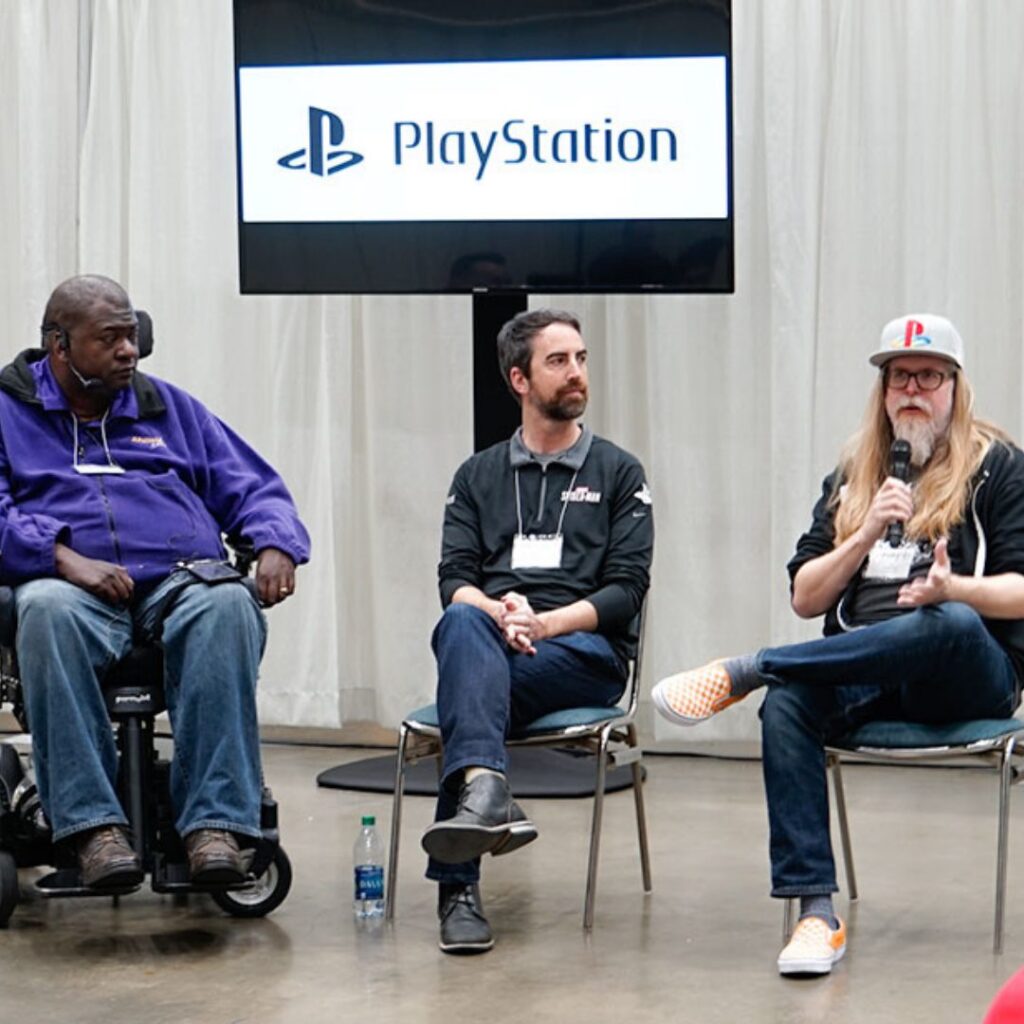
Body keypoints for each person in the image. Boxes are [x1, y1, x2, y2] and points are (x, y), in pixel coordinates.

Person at [653, 313, 1024, 977]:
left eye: (928, 376)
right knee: (788, 707)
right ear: (883, 391)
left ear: (954, 388)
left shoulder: (997, 467)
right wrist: (862, 534)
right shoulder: (855, 474)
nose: (913, 389)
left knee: (948, 625)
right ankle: (816, 914)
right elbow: (806, 596)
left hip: (968, 672)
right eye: (899, 377)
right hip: (864, 667)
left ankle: (753, 667)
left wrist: (956, 589)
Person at [0, 275, 310, 889]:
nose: (128, 351)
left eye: (132, 335)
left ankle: (214, 825)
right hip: (70, 589)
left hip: (175, 583)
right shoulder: (10, 411)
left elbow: (252, 486)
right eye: (109, 339)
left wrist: (277, 540)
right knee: (46, 610)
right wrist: (61, 557)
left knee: (226, 602)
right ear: (59, 346)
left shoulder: (165, 407)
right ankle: (92, 830)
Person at [421, 308, 653, 954]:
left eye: (580, 358)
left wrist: (543, 623)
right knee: (464, 623)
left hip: (584, 653)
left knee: (466, 693)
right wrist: (501, 615)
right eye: (559, 361)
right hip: (496, 642)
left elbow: (625, 593)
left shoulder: (618, 473)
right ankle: (488, 791)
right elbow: (454, 580)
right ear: (519, 379)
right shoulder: (477, 476)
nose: (576, 372)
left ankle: (459, 887)